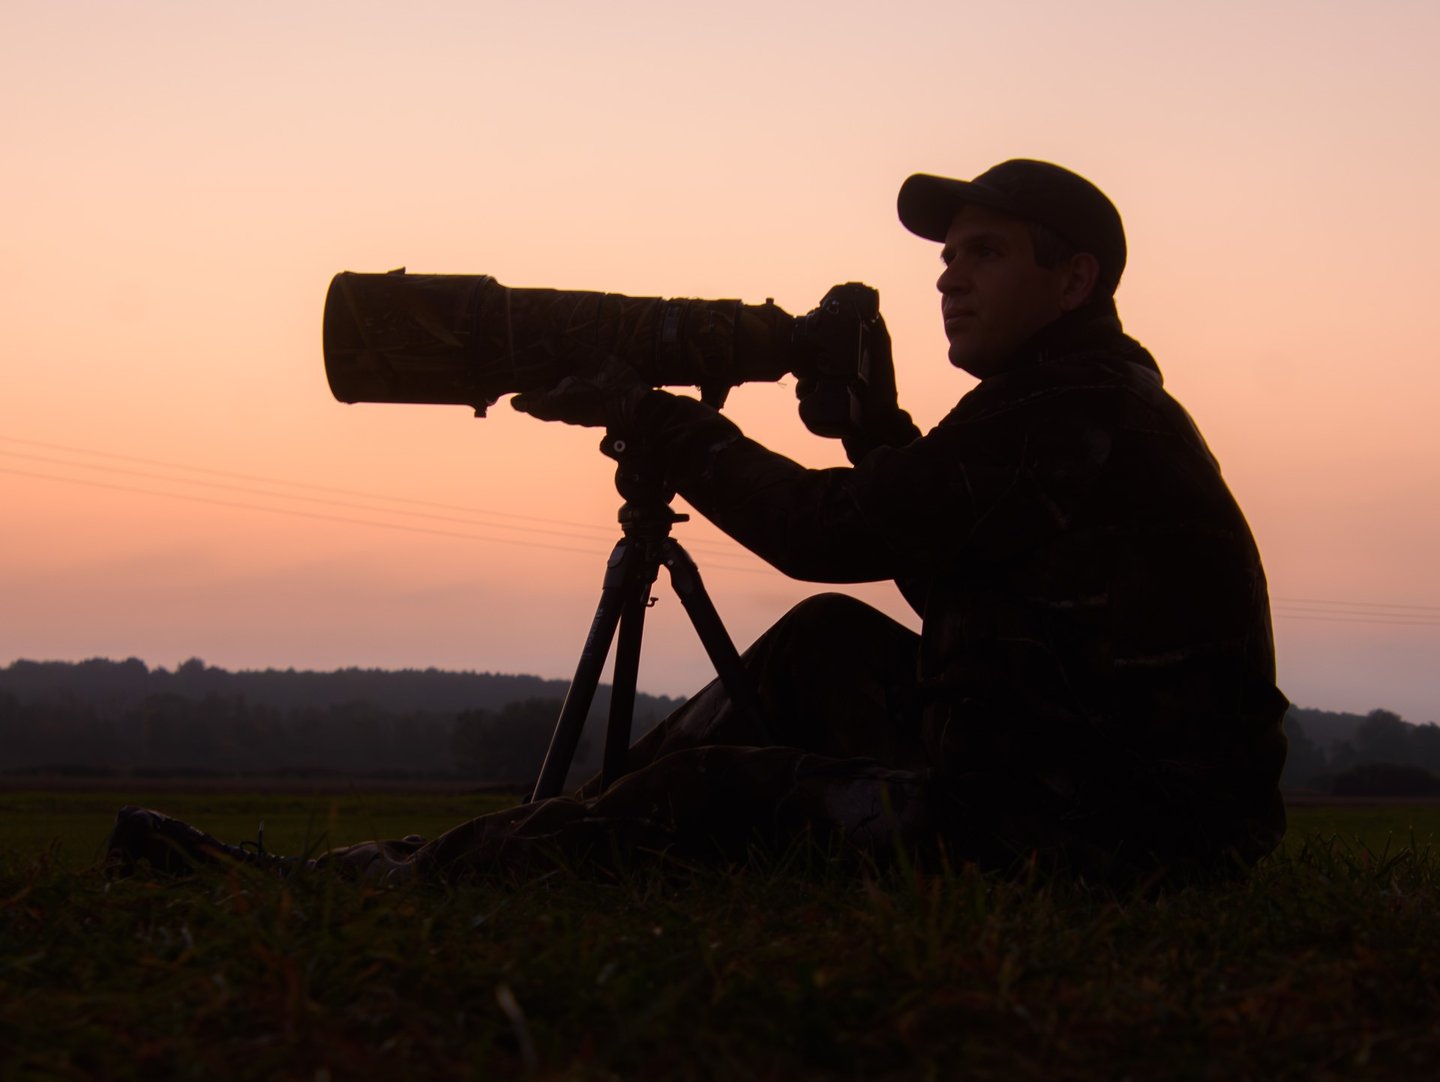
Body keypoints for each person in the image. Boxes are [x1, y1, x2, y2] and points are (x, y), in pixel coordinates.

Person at [109, 159, 1287, 884]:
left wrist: (655, 421)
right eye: (945, 254)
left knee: (713, 796)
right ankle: (521, 851)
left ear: (1072, 280)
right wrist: (871, 426)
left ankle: (363, 885)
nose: (946, 277)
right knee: (827, 641)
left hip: (1110, 832)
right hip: (1100, 776)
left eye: (983, 253)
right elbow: (969, 575)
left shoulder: (1071, 407)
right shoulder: (1071, 403)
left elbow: (829, 533)